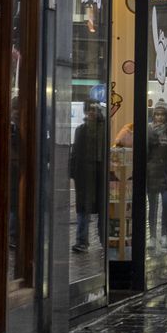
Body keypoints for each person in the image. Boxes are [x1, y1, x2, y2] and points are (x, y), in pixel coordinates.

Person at [71, 102, 106, 253]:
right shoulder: (81, 130)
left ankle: (103, 240)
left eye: (94, 110)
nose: (91, 113)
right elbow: (75, 153)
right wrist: (74, 172)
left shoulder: (104, 130)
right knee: (83, 208)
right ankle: (81, 241)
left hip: (100, 174)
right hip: (84, 175)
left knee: (102, 208)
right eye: (89, 110)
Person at [146, 102, 167, 249]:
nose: (159, 117)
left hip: (166, 173)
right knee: (153, 206)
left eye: (162, 114)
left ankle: (164, 234)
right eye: (157, 114)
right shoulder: (149, 131)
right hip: (152, 174)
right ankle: (152, 237)